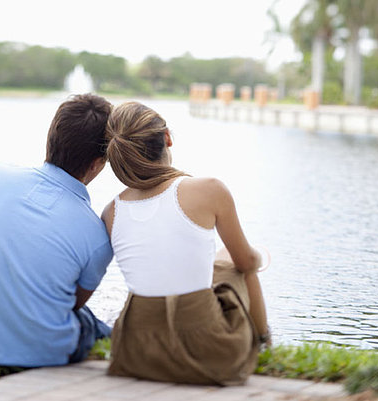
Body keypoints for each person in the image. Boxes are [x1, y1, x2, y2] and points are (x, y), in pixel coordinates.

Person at [101, 101, 270, 385]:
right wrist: (260, 257)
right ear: (167, 137)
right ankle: (264, 341)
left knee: (214, 263)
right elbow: (245, 262)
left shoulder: (111, 211)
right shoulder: (209, 189)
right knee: (239, 260)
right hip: (209, 353)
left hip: (136, 354)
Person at [0, 94, 114, 367]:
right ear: (97, 163)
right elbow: (71, 304)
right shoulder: (97, 235)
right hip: (43, 353)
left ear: (50, 137)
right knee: (89, 322)